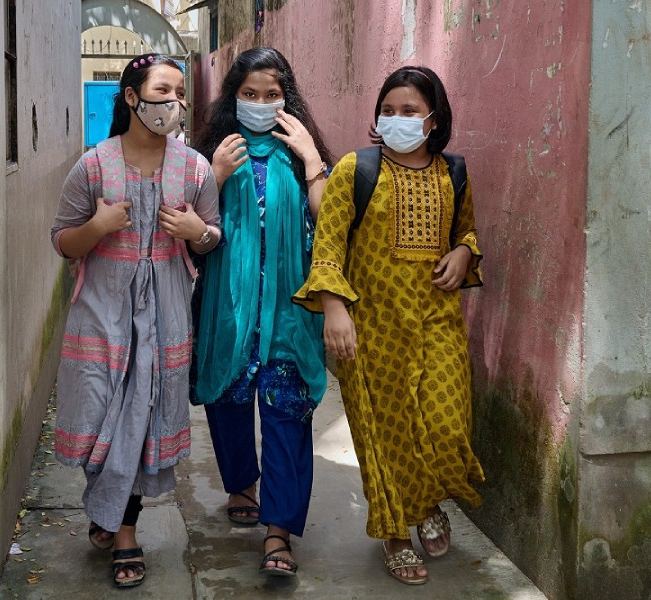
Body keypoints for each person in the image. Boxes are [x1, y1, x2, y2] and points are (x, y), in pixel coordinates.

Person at [293, 66, 485, 586]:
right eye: (389, 110)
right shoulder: (357, 169)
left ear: (434, 119)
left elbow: (464, 228)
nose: (396, 119)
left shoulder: (455, 172)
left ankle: (424, 504)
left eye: (409, 111)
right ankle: (397, 533)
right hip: (371, 328)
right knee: (387, 434)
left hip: (437, 322)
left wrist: (465, 252)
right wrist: (334, 309)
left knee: (445, 428)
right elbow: (328, 246)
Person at [50, 53, 220, 588]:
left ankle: (124, 529)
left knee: (143, 416)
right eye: (163, 92)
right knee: (103, 413)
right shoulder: (93, 166)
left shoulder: (193, 168)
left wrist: (198, 231)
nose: (175, 104)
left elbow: (214, 236)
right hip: (101, 315)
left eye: (180, 94)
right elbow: (62, 241)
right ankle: (109, 506)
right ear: (131, 98)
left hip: (166, 314)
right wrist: (98, 225)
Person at [191, 47, 332, 577]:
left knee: (286, 411)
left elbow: (331, 224)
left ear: (287, 99)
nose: (260, 104)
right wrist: (214, 175)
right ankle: (241, 485)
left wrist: (313, 158)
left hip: (290, 310)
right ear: (233, 97)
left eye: (272, 95)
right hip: (228, 307)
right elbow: (187, 220)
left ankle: (278, 529)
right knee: (228, 401)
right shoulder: (212, 151)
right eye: (250, 95)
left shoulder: (301, 156)